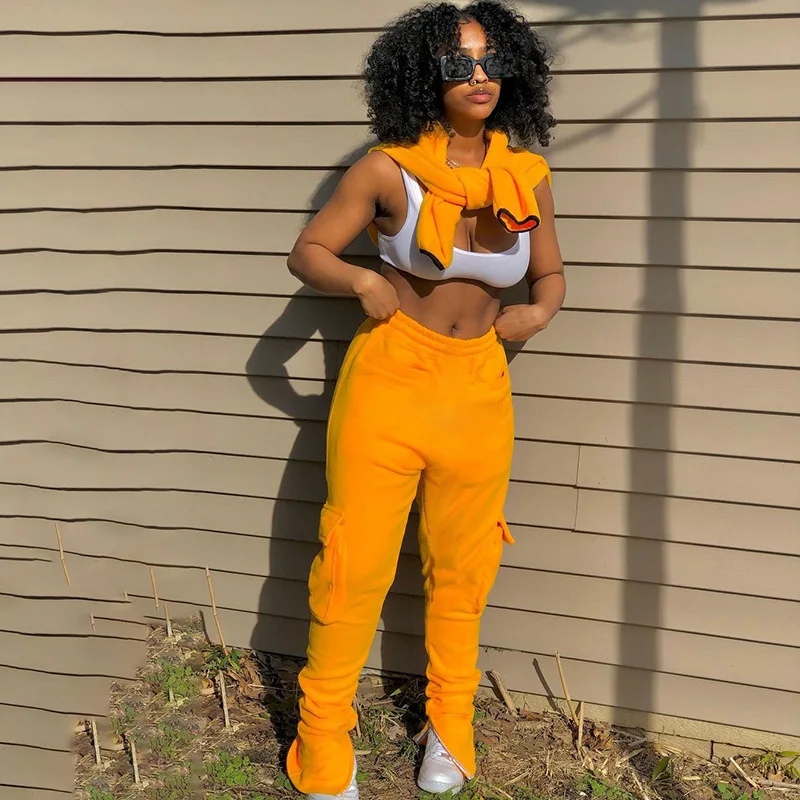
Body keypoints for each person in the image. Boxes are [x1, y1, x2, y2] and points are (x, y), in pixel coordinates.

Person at [285, 1, 563, 797]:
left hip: (479, 386)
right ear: (422, 76)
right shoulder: (387, 169)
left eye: (490, 60)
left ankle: (451, 724)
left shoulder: (527, 176)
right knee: (352, 563)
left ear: (512, 70)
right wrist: (361, 279)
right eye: (456, 63)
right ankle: (321, 738)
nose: (478, 76)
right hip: (391, 380)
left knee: (464, 568)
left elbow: (549, 273)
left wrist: (539, 311)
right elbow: (309, 252)